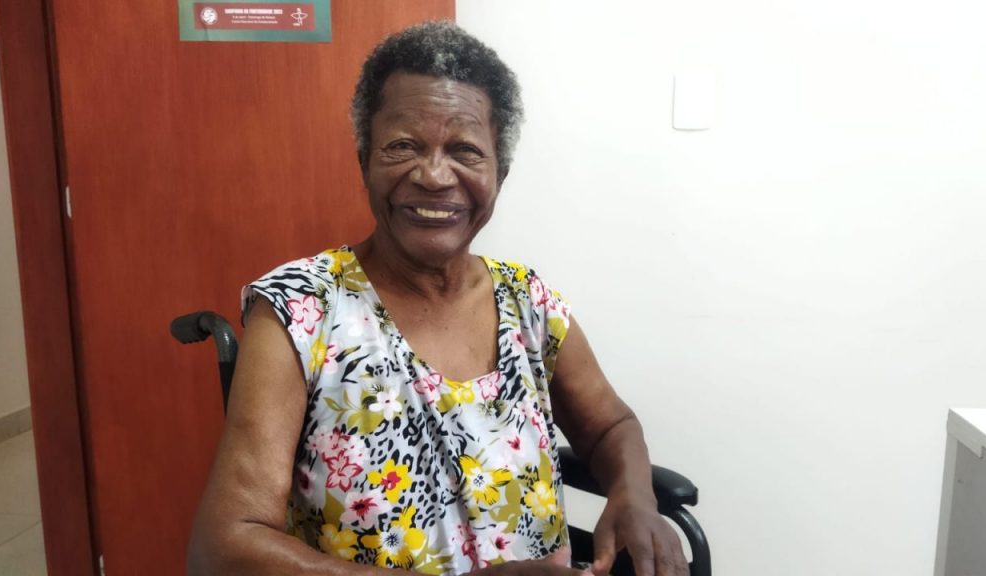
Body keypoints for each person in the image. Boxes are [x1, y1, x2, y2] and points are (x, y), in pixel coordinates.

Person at [187, 21, 688, 576]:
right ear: (364, 161)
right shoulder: (301, 308)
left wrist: (633, 495)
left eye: (465, 151)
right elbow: (224, 547)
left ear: (499, 174)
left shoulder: (527, 302)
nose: (432, 175)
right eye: (403, 146)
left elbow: (612, 427)